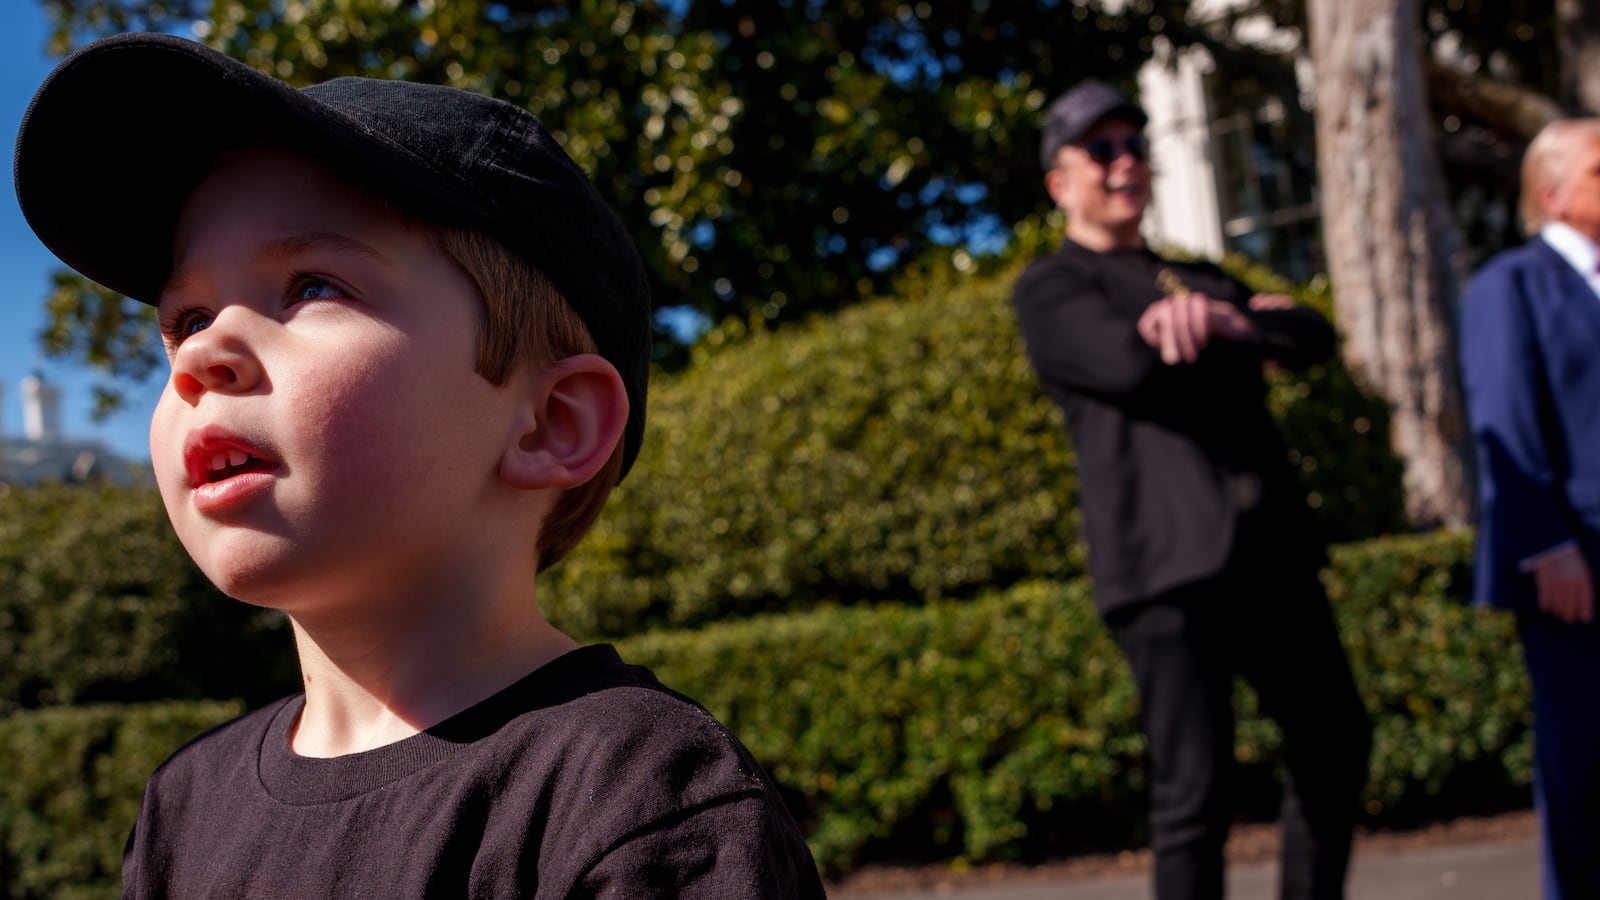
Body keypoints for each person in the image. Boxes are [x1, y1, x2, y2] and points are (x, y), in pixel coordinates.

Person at [13, 32, 825, 898]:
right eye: (186, 317)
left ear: (552, 423)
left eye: (313, 285)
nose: (203, 353)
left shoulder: (639, 800)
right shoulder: (180, 806)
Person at [1011, 80, 1371, 900]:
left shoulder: (1196, 273)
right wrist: (1240, 325)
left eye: (1133, 146)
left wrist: (1222, 321)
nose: (1124, 163)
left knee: (1335, 744)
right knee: (1195, 793)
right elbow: (1129, 365)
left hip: (1271, 551)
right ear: (1060, 182)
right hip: (1166, 569)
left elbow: (1310, 334)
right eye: (1098, 151)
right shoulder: (1054, 289)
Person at [1459, 117, 1600, 900]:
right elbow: (1504, 421)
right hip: (1577, 560)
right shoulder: (1509, 284)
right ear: (1550, 194)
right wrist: (1546, 545)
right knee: (1583, 767)